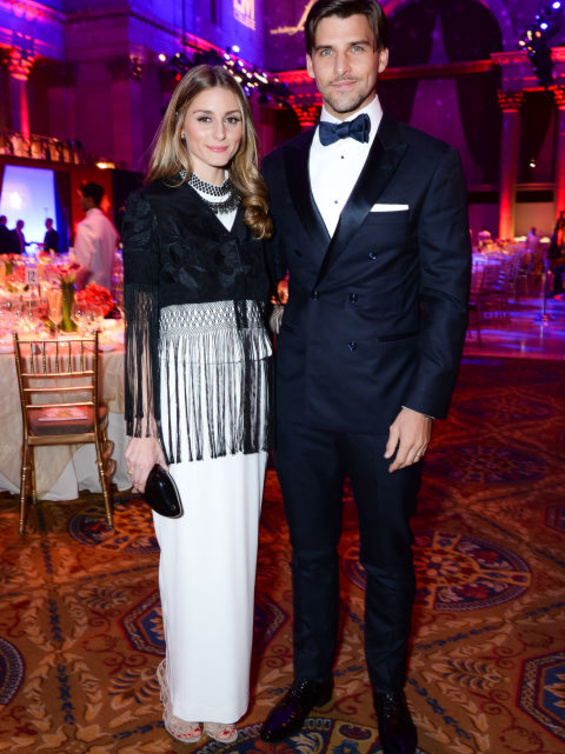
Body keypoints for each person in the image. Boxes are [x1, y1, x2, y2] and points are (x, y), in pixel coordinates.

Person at [260, 2, 471, 753]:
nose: (341, 65)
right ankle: (310, 678)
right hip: (301, 400)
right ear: (308, 63)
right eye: (326, 51)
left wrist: (423, 405)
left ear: (381, 56)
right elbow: (257, 275)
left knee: (387, 557)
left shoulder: (428, 161)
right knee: (309, 554)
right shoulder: (277, 165)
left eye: (356, 48)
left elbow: (447, 295)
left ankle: (386, 688)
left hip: (387, 404)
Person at [121, 65, 274, 745]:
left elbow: (270, 303)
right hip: (181, 398)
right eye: (205, 117)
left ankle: (223, 694)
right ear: (180, 124)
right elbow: (139, 319)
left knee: (235, 549)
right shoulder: (152, 205)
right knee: (186, 550)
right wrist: (141, 429)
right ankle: (183, 683)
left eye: (231, 119)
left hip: (245, 396)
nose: (219, 132)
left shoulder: (256, 203)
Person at [73, 182, 119, 290]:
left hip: (91, 291)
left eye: (82, 197)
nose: (80, 202)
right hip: (107, 288)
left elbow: (82, 266)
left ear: (89, 200)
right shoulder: (108, 224)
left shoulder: (86, 225)